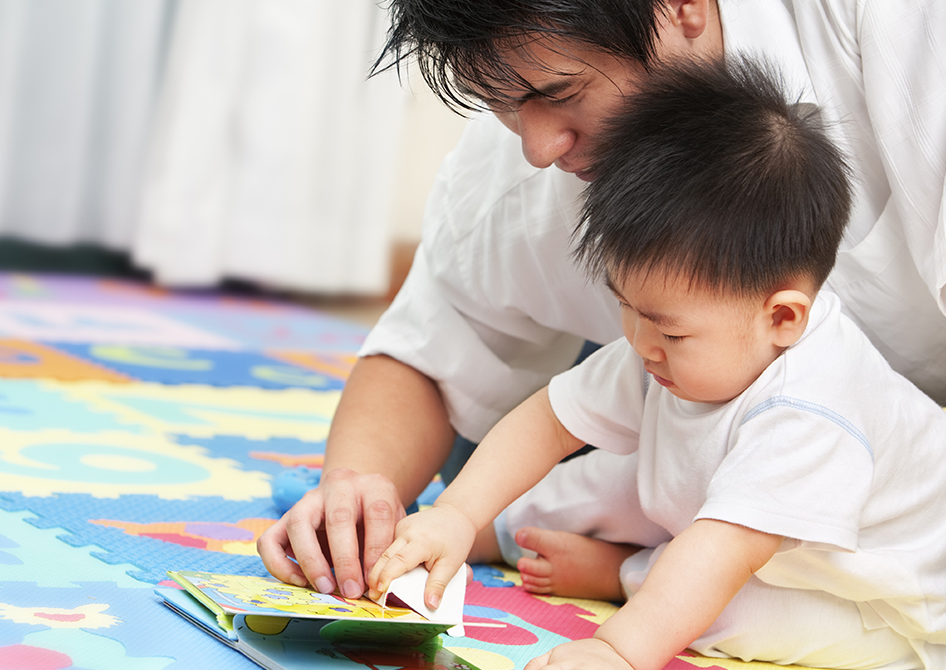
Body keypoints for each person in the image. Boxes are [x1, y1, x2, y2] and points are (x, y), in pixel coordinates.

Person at [258, 0, 946, 605]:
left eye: (560, 92)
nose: (536, 147)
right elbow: (431, 353)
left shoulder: (892, 24)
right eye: (502, 105)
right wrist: (357, 489)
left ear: (680, 7)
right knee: (497, 474)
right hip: (696, 417)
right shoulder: (516, 170)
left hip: (914, 474)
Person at [368, 57, 946, 670]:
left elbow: (720, 553)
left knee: (730, 609)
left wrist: (616, 650)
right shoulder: (676, 343)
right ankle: (501, 534)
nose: (642, 343)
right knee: (605, 473)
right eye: (627, 307)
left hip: (881, 596)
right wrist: (456, 514)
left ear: (783, 319)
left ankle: (625, 571)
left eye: (670, 329)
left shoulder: (815, 409)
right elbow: (549, 422)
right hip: (731, 516)